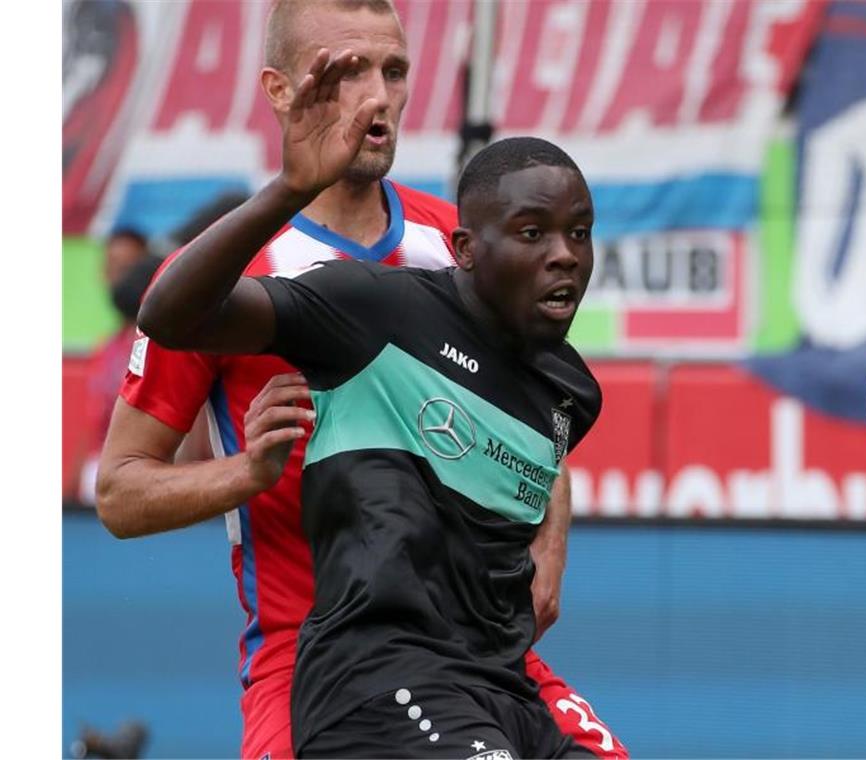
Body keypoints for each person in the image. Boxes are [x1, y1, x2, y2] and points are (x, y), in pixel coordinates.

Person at [95, 1, 624, 758]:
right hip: (317, 658)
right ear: (281, 90)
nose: (378, 97)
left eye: (394, 69)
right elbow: (119, 493)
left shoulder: (463, 240)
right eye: (348, 72)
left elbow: (534, 403)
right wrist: (245, 472)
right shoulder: (224, 275)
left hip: (479, 649)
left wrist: (552, 536)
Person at [68, 229, 159, 506]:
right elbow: (94, 421)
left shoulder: (162, 343)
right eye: (113, 268)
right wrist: (71, 490)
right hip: (95, 478)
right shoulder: (105, 347)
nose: (120, 278)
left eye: (128, 268)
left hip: (139, 476)